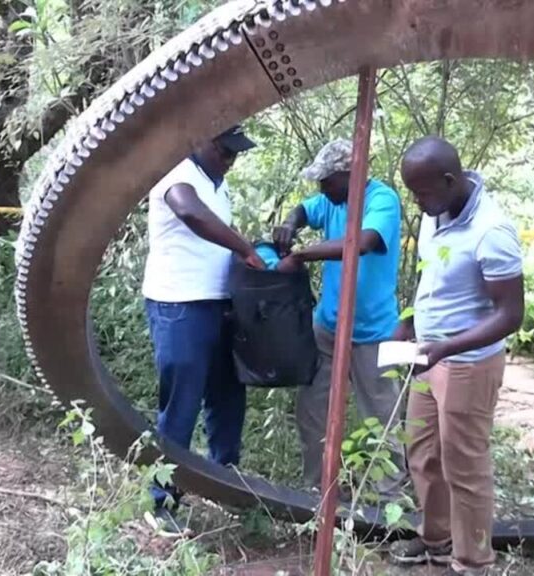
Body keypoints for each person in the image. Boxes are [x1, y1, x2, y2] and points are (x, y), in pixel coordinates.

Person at [388, 136, 524, 576]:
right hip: (430, 355)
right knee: (423, 454)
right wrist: (409, 320)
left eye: (422, 192)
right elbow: (434, 279)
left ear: (450, 180)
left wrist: (446, 347)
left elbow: (510, 314)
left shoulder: (492, 230)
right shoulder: (436, 211)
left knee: (464, 464)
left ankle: (473, 561)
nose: (417, 202)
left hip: (468, 363)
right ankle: (436, 539)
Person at [140, 125, 265, 523]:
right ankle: (164, 502)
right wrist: (243, 247)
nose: (231, 159)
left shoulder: (217, 184)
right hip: (180, 306)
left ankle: (223, 481)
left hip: (219, 305)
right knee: (182, 403)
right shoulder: (175, 172)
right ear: (198, 139)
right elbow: (189, 211)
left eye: (236, 153)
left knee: (227, 400)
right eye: (224, 150)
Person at [272, 139, 406, 500]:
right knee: (312, 408)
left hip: (373, 331)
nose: (321, 188)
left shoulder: (382, 200)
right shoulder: (332, 200)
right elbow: (304, 208)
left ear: (351, 174)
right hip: (328, 327)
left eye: (327, 180)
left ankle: (389, 499)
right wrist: (290, 222)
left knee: (381, 413)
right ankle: (319, 489)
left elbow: (361, 242)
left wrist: (300, 256)